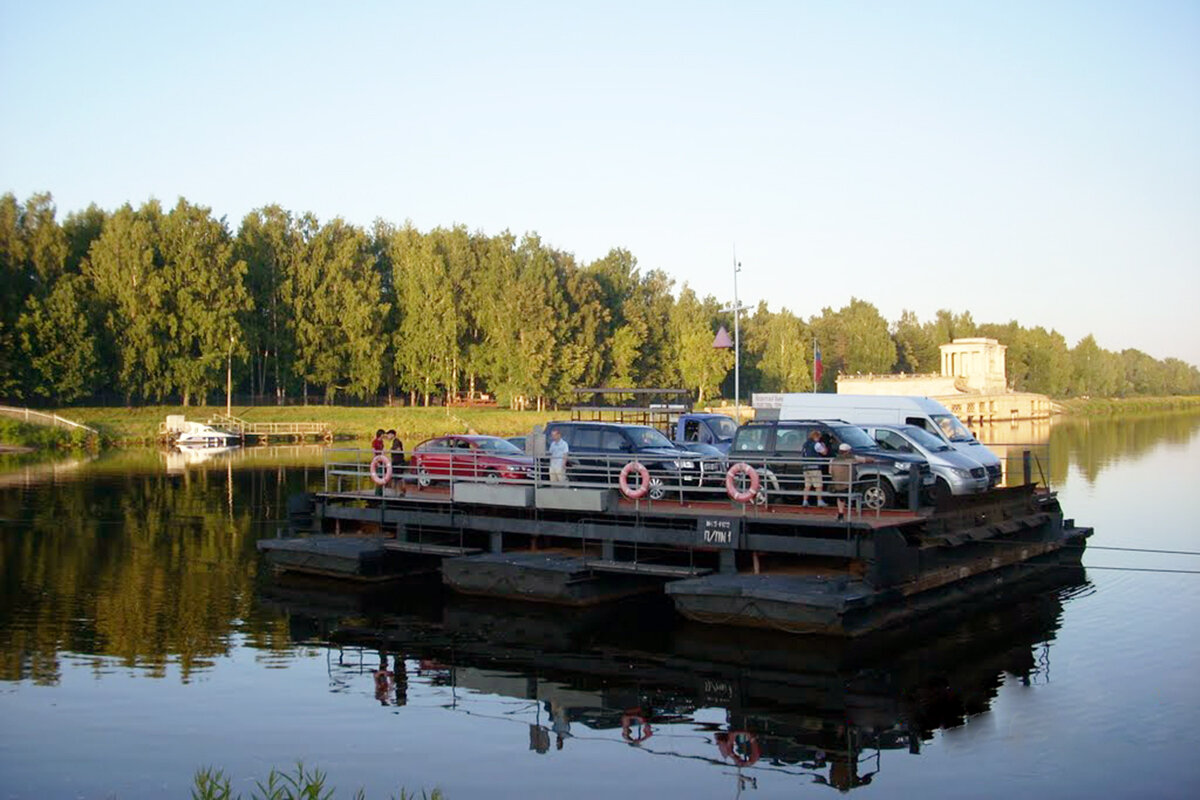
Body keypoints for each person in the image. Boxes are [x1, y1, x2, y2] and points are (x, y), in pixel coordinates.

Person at [829, 443, 873, 521]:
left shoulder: (833, 460)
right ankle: (857, 508)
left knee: (840, 496)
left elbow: (830, 472)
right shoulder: (853, 458)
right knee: (860, 485)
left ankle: (841, 513)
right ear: (848, 451)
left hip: (837, 486)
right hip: (849, 486)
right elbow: (867, 460)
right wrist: (874, 460)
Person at [800, 429, 828, 507]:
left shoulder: (805, 444)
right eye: (818, 437)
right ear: (816, 436)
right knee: (818, 485)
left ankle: (805, 501)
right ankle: (819, 501)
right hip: (815, 467)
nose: (819, 439)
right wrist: (824, 446)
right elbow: (824, 452)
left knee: (807, 485)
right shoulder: (816, 444)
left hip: (806, 467)